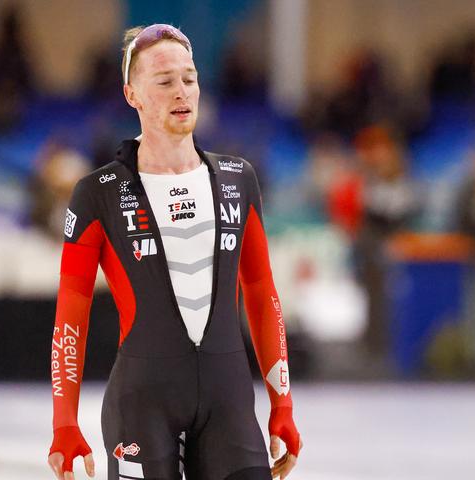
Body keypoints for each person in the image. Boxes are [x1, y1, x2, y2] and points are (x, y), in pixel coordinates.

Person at [47, 24, 302, 480]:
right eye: (164, 82)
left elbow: (262, 293)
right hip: (142, 406)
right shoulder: (98, 193)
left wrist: (282, 403)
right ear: (133, 95)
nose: (181, 92)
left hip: (228, 404)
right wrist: (64, 422)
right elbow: (71, 312)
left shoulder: (237, 179)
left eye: (189, 78)